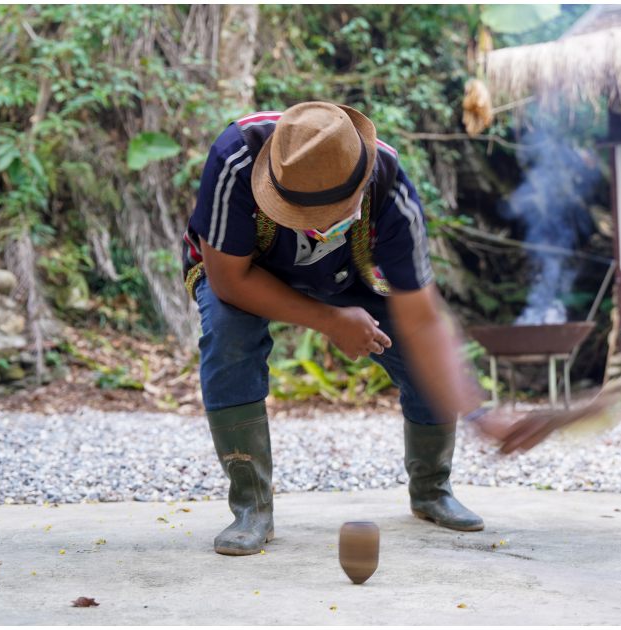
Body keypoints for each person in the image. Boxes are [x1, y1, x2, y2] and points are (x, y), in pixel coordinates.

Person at [181, 102, 555, 555]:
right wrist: (330, 320)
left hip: (344, 275)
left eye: (328, 212)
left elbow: (425, 319)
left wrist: (478, 413)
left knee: (411, 344)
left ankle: (432, 489)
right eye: (297, 214)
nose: (315, 226)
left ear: (361, 183)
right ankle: (251, 508)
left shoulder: (391, 189)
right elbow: (229, 280)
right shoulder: (236, 159)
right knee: (229, 334)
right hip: (245, 271)